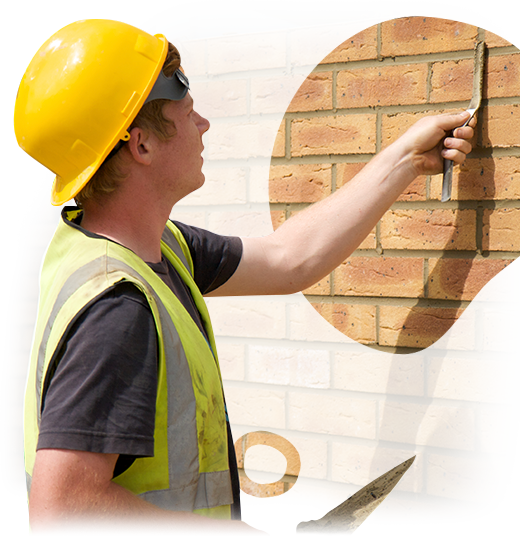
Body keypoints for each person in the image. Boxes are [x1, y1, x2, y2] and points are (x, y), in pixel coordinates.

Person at [16, 18, 475, 536]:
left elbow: (290, 257)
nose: (205, 124)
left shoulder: (146, 247)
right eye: (189, 113)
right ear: (140, 145)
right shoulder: (118, 308)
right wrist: (244, 535)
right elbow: (63, 513)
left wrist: (407, 158)